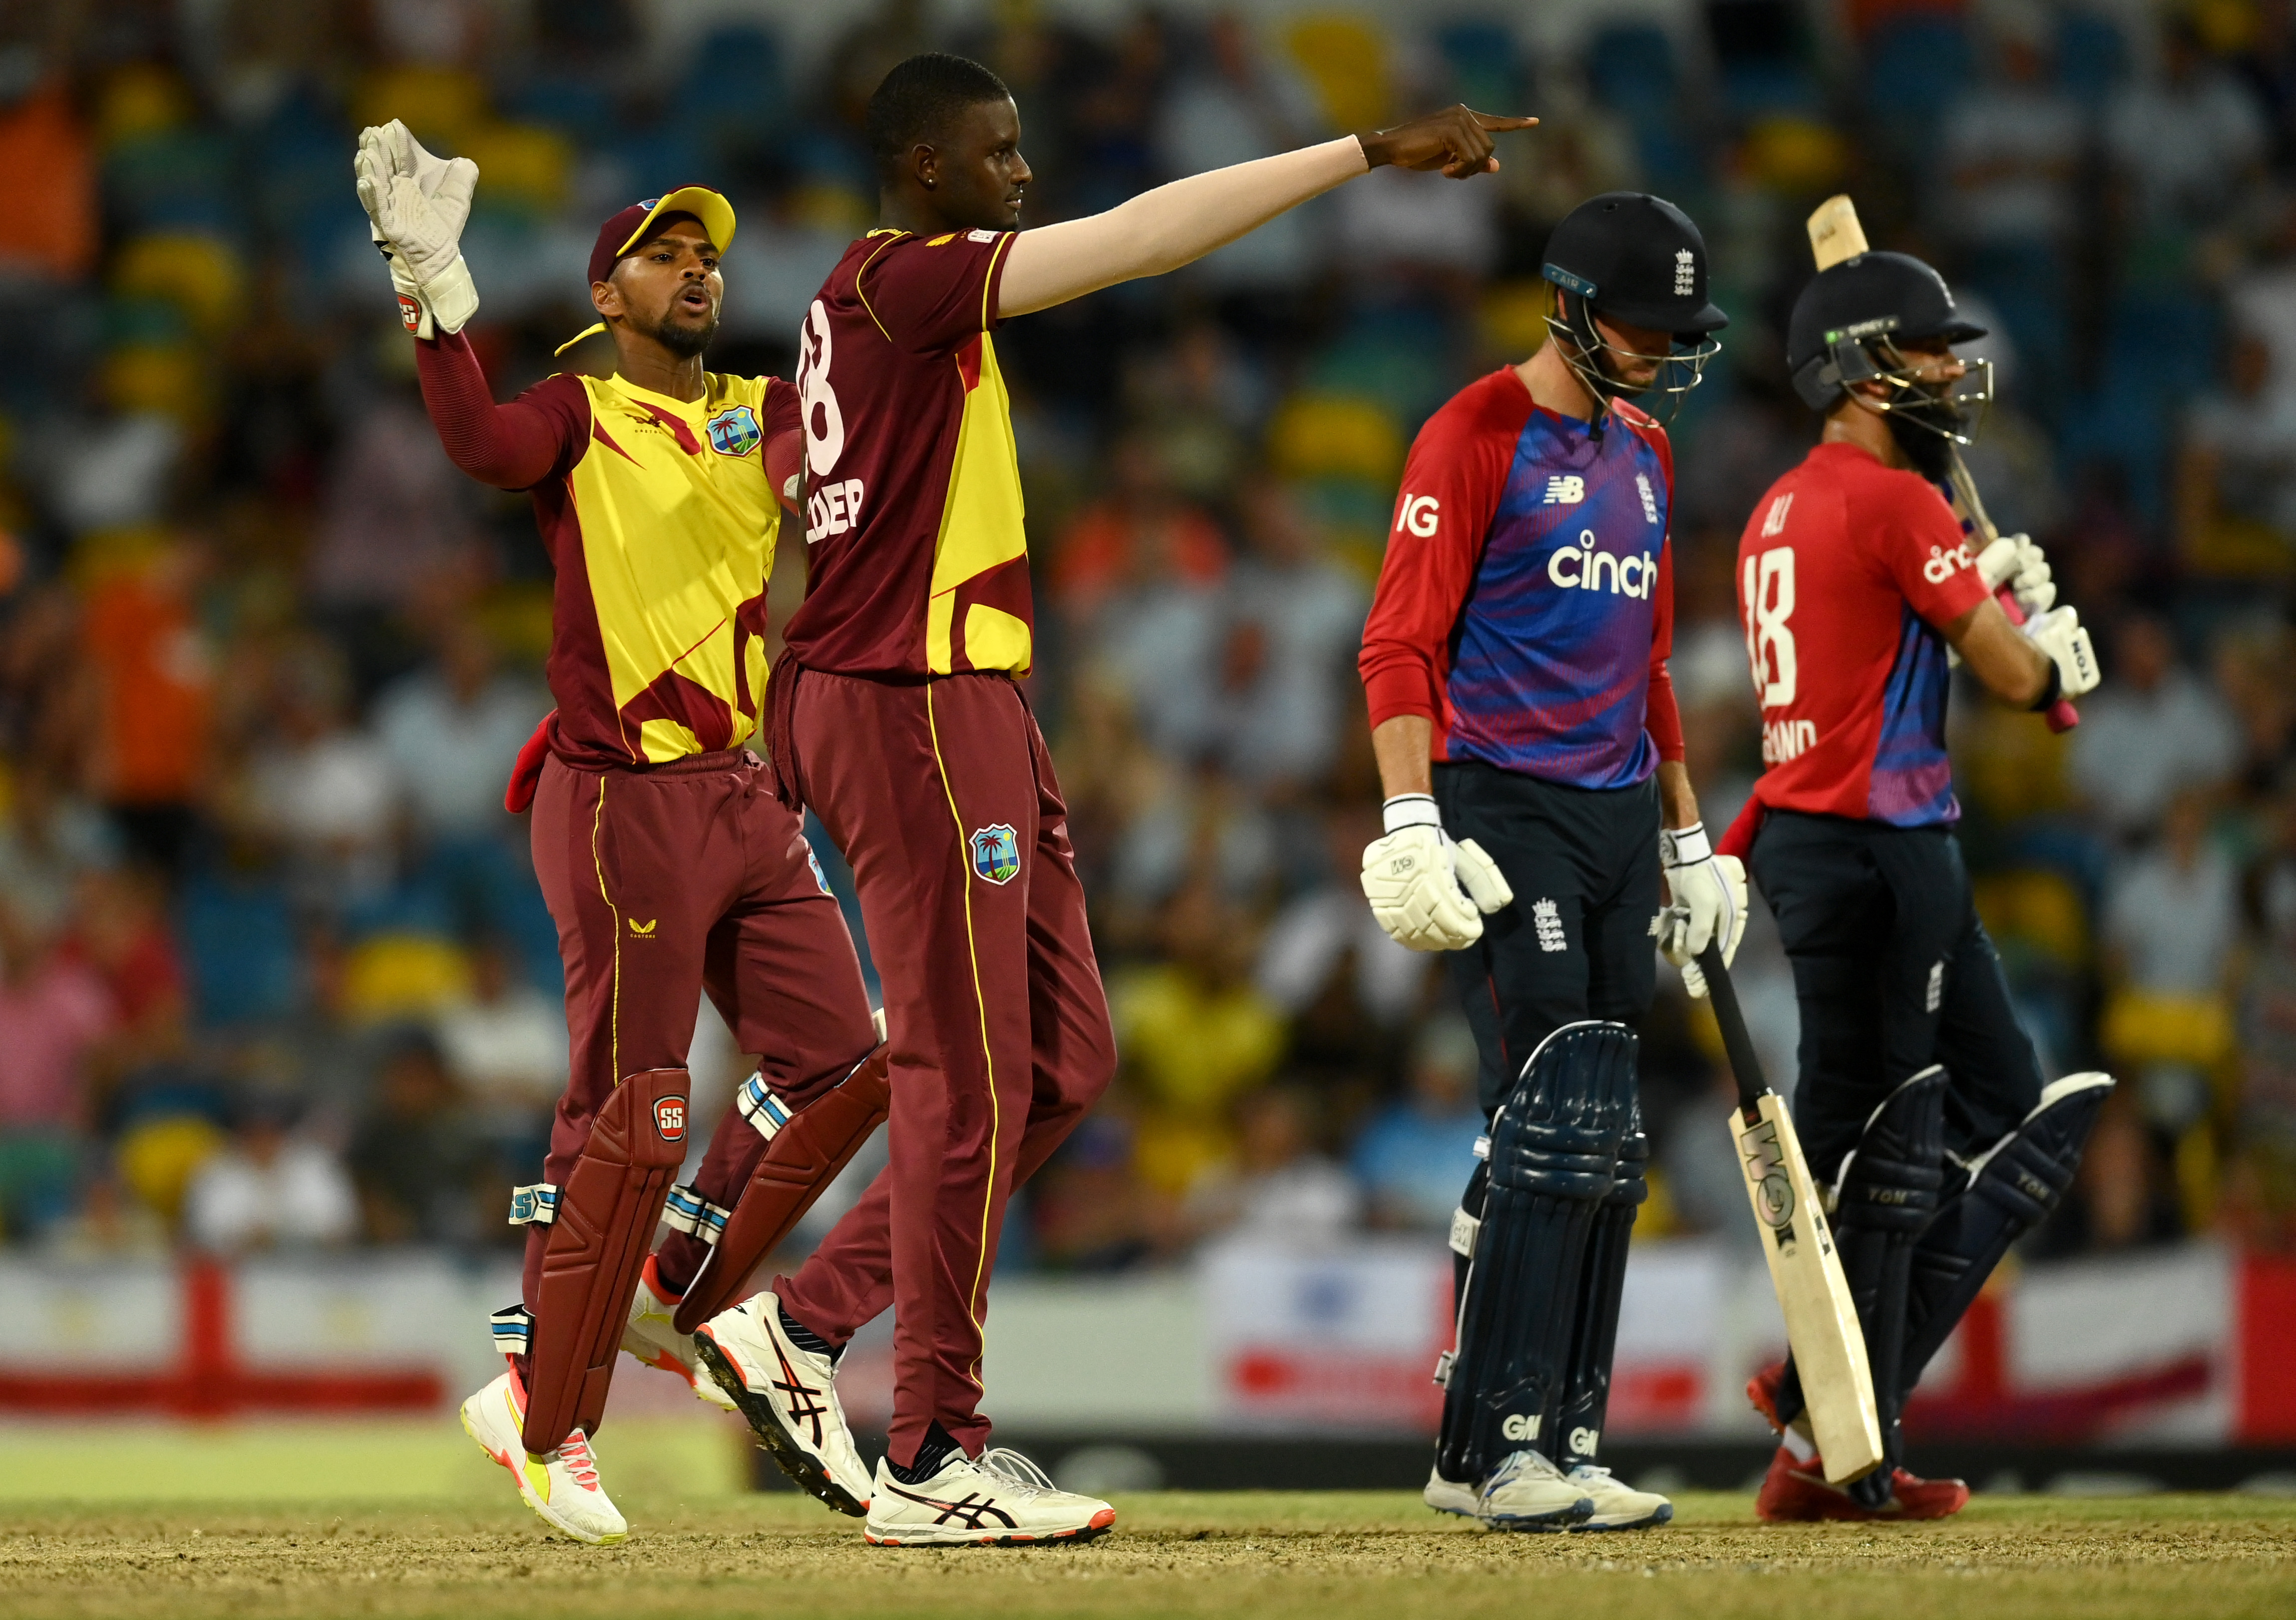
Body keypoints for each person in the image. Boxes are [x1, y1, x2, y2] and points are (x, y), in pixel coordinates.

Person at [704, 52, 1534, 1549]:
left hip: (954, 695)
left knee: (1063, 1063)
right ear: (926, 168)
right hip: (912, 703)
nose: (1023, 175)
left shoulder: (845, 301)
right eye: (998, 152)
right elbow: (1148, 235)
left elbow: (796, 474)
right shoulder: (913, 282)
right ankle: (933, 1452)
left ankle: (803, 1324)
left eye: (1022, 150)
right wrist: (1358, 151)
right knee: (962, 1081)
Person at [355, 124, 888, 1545]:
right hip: (621, 801)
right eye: (666, 252)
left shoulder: (764, 409)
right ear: (609, 293)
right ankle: (544, 1409)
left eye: (708, 250)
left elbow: (863, 440)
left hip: (744, 793)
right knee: (632, 1108)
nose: (698, 268)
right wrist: (435, 296)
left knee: (848, 1054)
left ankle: (665, 1283)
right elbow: (476, 444)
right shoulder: (576, 412)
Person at [1355, 192, 1739, 1534]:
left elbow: (1646, 662)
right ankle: (1485, 1451)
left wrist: (1688, 838)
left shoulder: (1643, 448)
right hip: (1498, 802)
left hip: (1619, 813)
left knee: (1605, 1130)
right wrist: (1410, 817)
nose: (1663, 352)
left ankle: (1564, 1435)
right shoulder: (1471, 433)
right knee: (1551, 1105)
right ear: (1571, 306)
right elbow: (1395, 641)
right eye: (1645, 327)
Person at [1723, 246, 2111, 1522]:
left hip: (1823, 838)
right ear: (1860, 368)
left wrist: (1983, 584)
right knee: (1892, 1143)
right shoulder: (1898, 503)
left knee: (2001, 1114)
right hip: (1879, 841)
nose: (1951, 369)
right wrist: (2049, 658)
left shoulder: (1786, 502)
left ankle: (1814, 1402)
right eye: (1928, 349)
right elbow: (2006, 681)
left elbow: (1860, 642)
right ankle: (1841, 1447)